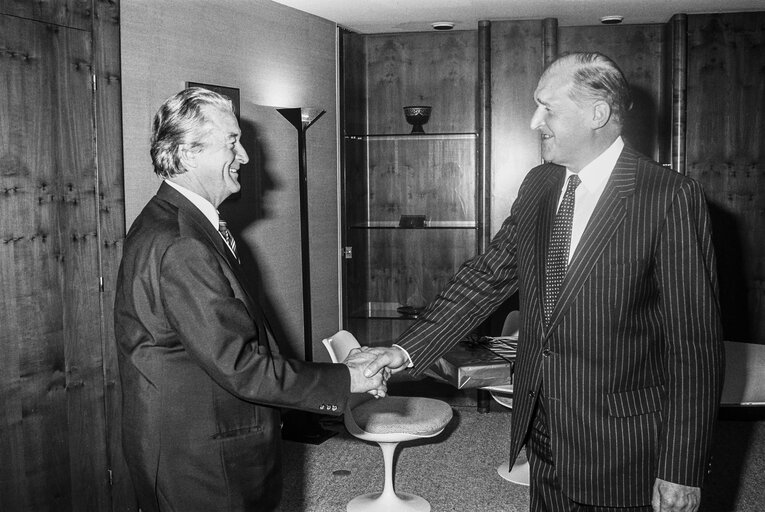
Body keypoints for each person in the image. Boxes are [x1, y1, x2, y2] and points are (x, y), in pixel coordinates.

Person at [363, 52, 724, 512]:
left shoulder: (669, 196)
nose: (536, 121)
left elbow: (695, 346)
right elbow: (487, 276)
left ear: (598, 113)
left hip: (622, 443)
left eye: (547, 107)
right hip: (542, 429)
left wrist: (682, 466)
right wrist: (405, 350)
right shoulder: (540, 185)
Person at [113, 87, 386, 512]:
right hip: (200, 456)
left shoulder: (178, 223)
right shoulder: (182, 243)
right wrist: (346, 379)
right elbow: (239, 365)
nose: (243, 156)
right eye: (232, 143)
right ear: (187, 154)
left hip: (203, 439)